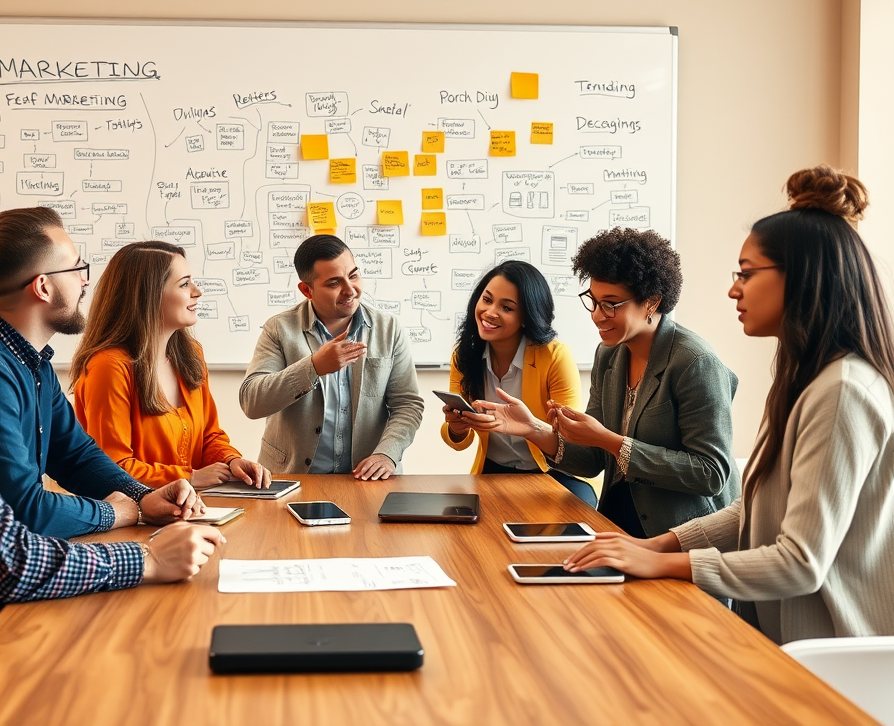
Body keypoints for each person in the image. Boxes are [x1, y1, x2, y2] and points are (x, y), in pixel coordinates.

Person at [0, 155, 222, 644]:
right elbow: (6, 555)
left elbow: (73, 451)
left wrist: (143, 496)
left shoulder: (11, 361)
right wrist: (145, 553)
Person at [564, 166, 894, 645]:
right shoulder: (805, 380)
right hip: (782, 639)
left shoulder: (842, 391)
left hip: (830, 657)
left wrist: (663, 561)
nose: (733, 289)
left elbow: (800, 563)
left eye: (746, 273)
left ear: (802, 278)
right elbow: (753, 509)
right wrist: (653, 546)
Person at [0, 209, 207, 541]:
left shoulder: (31, 362)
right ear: (43, 288)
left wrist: (144, 496)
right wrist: (125, 511)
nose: (86, 280)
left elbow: (75, 456)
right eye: (77, 268)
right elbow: (24, 510)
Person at [472, 228, 740, 538]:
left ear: (651, 302)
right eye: (594, 301)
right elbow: (592, 461)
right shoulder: (609, 355)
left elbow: (711, 473)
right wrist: (533, 429)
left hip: (681, 532)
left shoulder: (694, 363)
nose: (598, 316)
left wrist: (611, 441)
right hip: (618, 520)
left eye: (611, 304)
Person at [71, 241, 269, 490]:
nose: (197, 292)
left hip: (193, 505)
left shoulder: (190, 355)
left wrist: (231, 460)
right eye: (185, 284)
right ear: (149, 295)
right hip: (137, 515)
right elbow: (113, 467)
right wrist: (188, 477)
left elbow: (209, 436)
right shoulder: (108, 367)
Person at [239, 234, 424, 479]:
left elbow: (407, 405)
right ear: (307, 290)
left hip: (367, 479)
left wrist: (387, 454)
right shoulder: (279, 329)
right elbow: (252, 401)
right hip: (293, 477)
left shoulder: (388, 329)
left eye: (354, 275)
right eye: (334, 283)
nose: (350, 290)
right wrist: (313, 367)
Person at [439, 260, 592, 504]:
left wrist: (530, 426)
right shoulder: (464, 356)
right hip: (494, 471)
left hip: (554, 474)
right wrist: (457, 428)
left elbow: (572, 441)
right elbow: (458, 441)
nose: (490, 313)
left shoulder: (554, 357)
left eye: (507, 308)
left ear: (526, 316)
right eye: (487, 300)